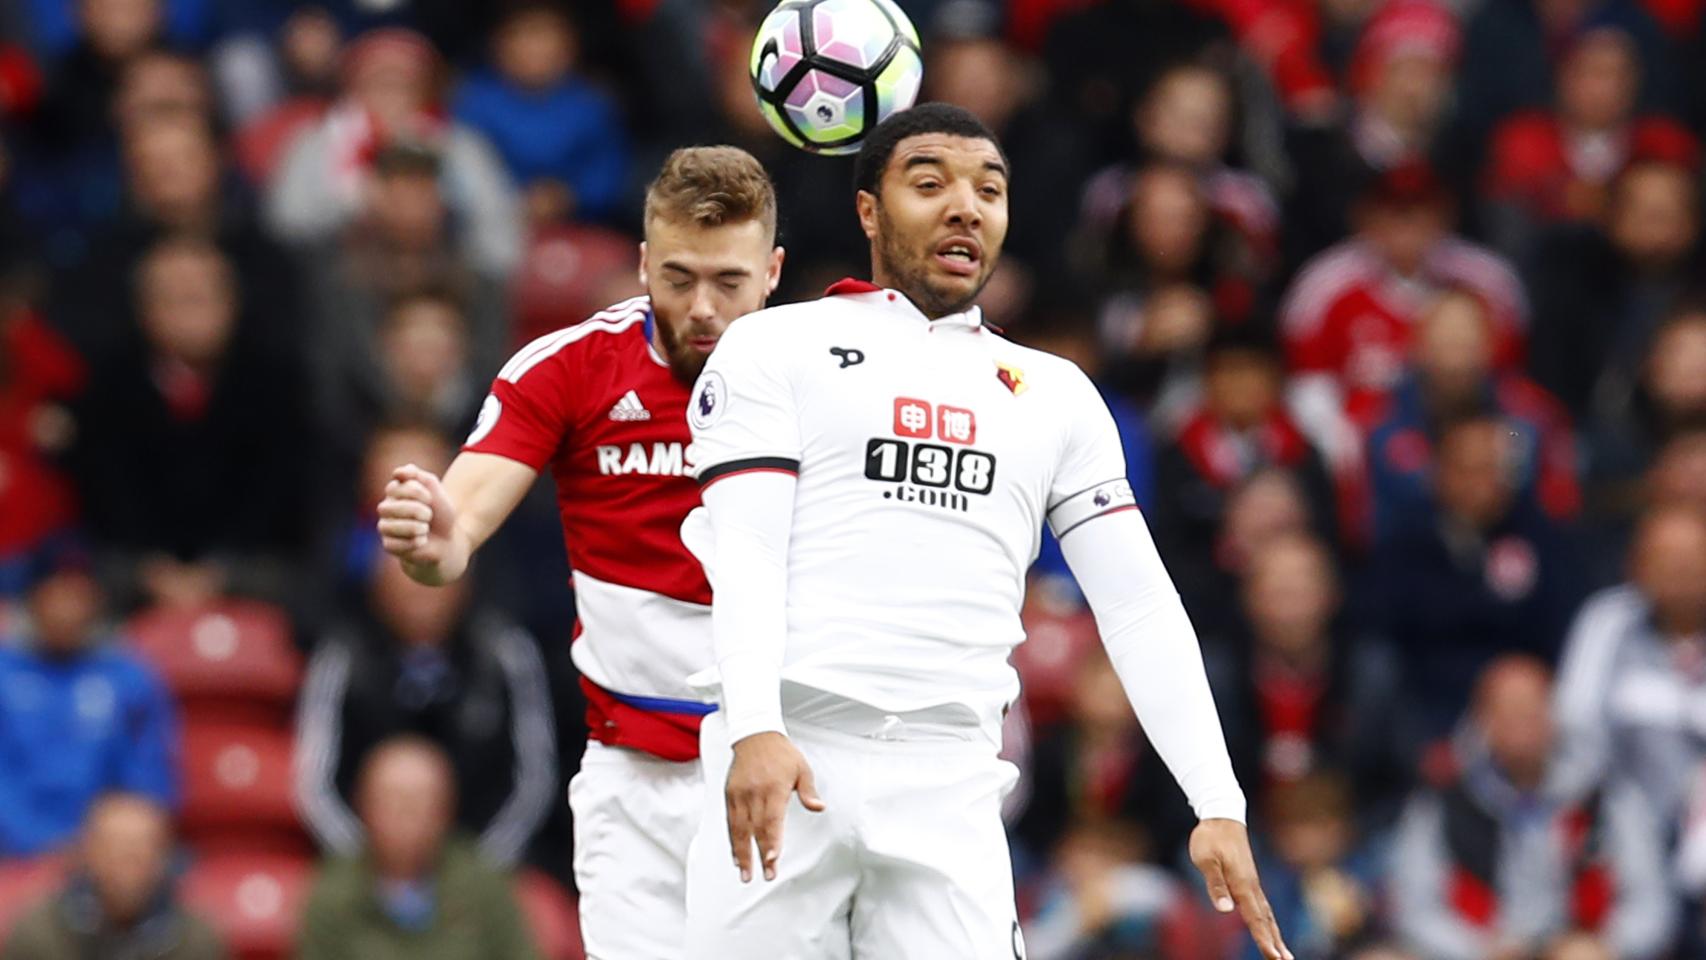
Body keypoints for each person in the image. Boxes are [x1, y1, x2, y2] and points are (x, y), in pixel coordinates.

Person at [682, 103, 1287, 959]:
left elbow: (1140, 606)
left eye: (990, 191)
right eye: (930, 184)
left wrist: (1215, 800)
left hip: (953, 782)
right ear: (868, 211)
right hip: (789, 752)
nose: (966, 206)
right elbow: (742, 550)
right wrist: (751, 726)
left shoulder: (1056, 395)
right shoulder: (775, 347)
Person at [373, 146, 784, 959]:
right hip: (631, 788)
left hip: (771, 770)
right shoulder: (567, 369)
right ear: (640, 263)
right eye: (676, 277)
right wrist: (431, 543)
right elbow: (458, 530)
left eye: (728, 282)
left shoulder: (823, 378)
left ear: (773, 270)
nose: (701, 306)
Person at [1390, 657, 1675, 960]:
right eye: (1506, 709)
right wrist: (1478, 950)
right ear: (1481, 721)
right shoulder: (1442, 803)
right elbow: (1414, 909)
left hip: (1581, 946)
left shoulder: (1606, 797)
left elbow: (1651, 905)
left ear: (1555, 712)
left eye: (1531, 707)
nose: (1521, 719)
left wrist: (1606, 946)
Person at [294, 548, 557, 870]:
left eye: (433, 584)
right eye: (407, 584)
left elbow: (533, 779)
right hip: (365, 864)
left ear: (463, 586)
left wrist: (480, 867)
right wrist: (368, 868)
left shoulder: (502, 653)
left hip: (484, 858)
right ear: (379, 590)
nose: (421, 596)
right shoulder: (345, 656)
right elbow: (316, 784)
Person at [0, 538, 179, 857]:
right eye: (58, 592)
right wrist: (38, 844)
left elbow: (147, 781)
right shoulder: (4, 673)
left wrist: (102, 846)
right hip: (11, 852)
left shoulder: (129, 678)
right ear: (33, 596)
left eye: (79, 594)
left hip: (104, 857)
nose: (68, 607)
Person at [296, 737, 539, 960]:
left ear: (445, 811)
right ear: (364, 807)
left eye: (418, 804)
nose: (405, 818)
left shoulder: (484, 887)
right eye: (392, 802)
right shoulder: (332, 896)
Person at [0, 793, 225, 960]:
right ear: (86, 853)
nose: (127, 864)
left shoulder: (196, 940)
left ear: (164, 858)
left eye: (141, 851)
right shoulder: (37, 933)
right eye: (113, 848)